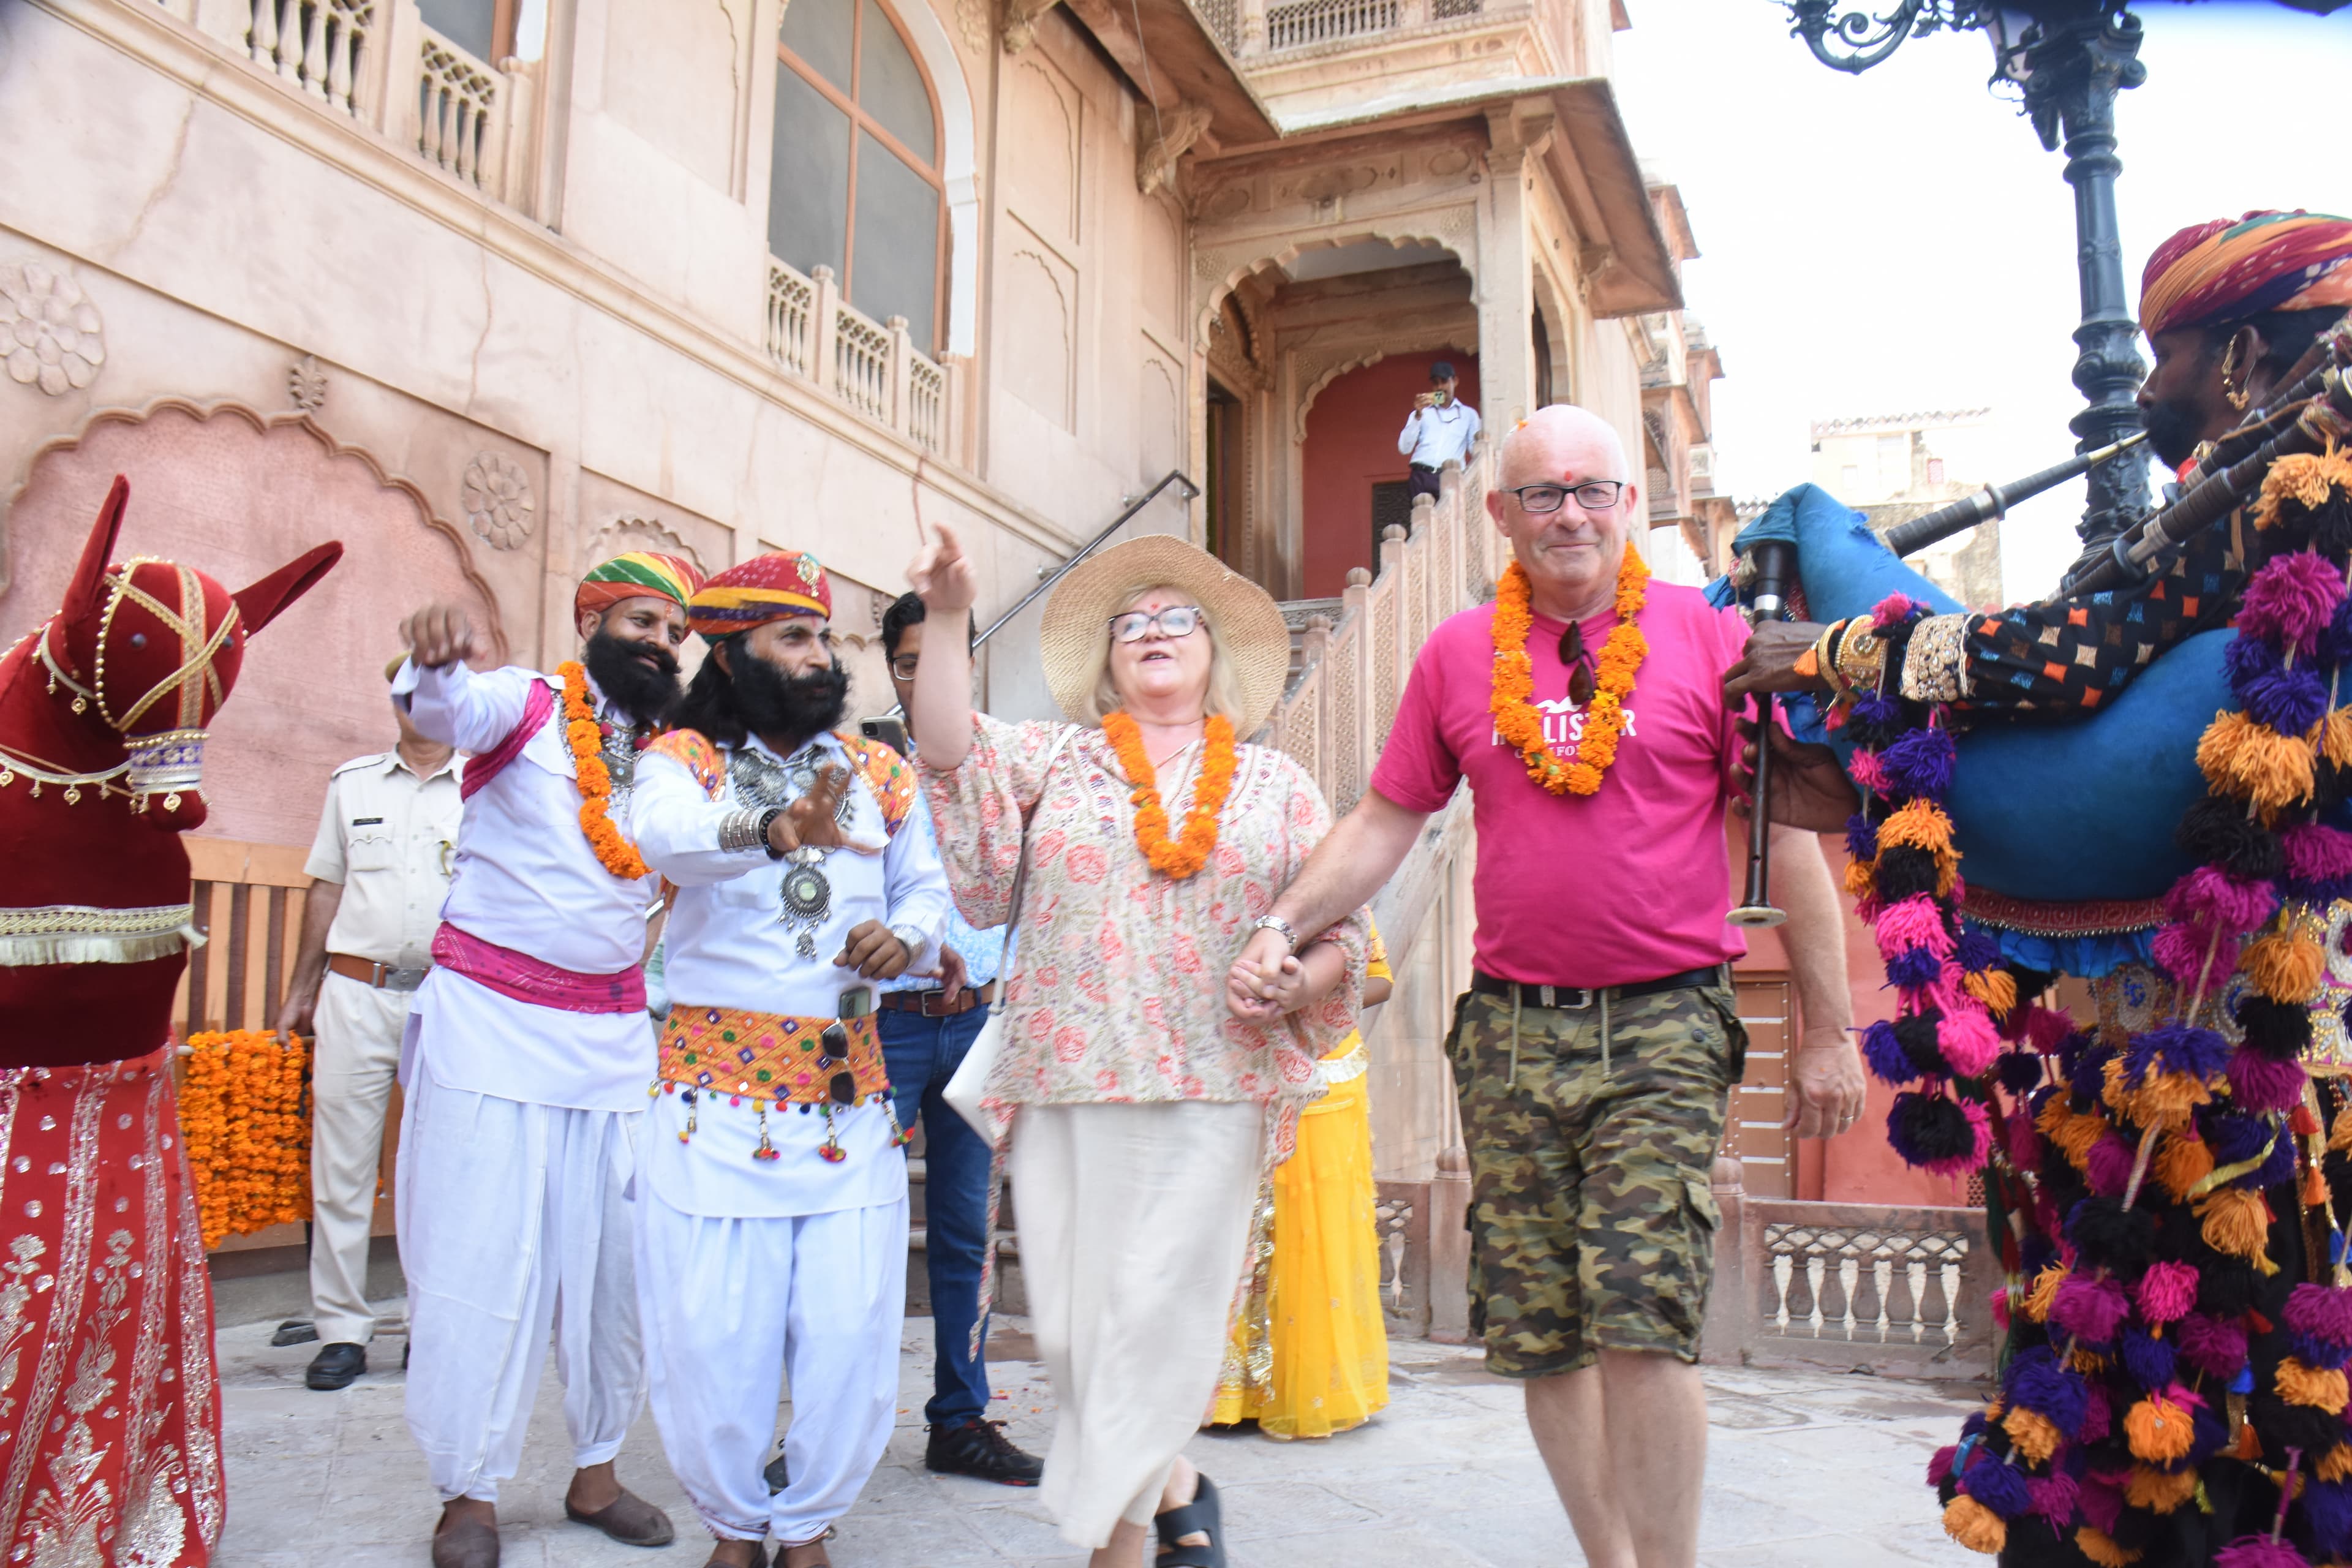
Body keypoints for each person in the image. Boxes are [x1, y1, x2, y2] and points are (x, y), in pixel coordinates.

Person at [1229, 405, 1861, 1568]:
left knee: (1644, 1318)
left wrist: (1832, 1028)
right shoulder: (1455, 654)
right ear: (1500, 515)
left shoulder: (1708, 637)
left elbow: (1795, 844)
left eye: (1592, 489)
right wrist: (1281, 919)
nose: (1570, 512)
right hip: (1511, 1029)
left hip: (1668, 1019)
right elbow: (1386, 820)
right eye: (1543, 493)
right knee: (1540, 1333)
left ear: (1629, 504)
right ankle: (1605, 1560)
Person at [903, 524, 1369, 1568]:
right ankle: (1179, 1486)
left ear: (1215, 653)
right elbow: (943, 746)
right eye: (1131, 623)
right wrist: (945, 613)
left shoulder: (1278, 786)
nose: (1153, 633)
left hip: (1216, 1085)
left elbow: (1343, 935)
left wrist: (1301, 975)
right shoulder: (1056, 759)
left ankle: (1114, 1548)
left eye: (1175, 619)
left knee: (1156, 1326)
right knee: (1076, 1335)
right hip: (1069, 1079)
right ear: (1107, 663)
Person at [0, 480, 338, 1568]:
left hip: (134, 1120)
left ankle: (97, 1506)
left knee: (109, 1322)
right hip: (17, 1128)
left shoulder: (135, 775)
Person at [628, 551, 949, 1568]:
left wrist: (907, 941)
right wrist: (777, 828)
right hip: (712, 1106)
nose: (820, 658)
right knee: (713, 1330)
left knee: (848, 1328)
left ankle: (807, 1523)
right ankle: (732, 1523)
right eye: (793, 639)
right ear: (732, 656)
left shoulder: (882, 770)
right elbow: (668, 841)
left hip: (848, 1096)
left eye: (823, 638)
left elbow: (927, 894)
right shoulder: (681, 759)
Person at [391, 551, 706, 1568]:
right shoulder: (524, 704)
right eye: (644, 621)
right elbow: (444, 710)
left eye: (675, 631)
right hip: (489, 1023)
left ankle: (598, 1472)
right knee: (481, 1258)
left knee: (615, 1270)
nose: (661, 642)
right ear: (594, 622)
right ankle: (467, 1491)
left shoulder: (672, 760)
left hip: (612, 1041)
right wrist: (433, 665)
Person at [1726, 209, 2352, 717]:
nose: (2146, 391)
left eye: (2164, 355)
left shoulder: (2282, 488)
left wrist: (1843, 653)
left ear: (2238, 356)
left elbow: (2093, 648)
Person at [873, 591, 1044, 1485]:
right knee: (852, 1228)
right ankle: (834, 1426)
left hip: (977, 1023)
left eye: (936, 654)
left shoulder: (1010, 761)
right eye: (904, 661)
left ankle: (960, 1420)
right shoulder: (858, 764)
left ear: (964, 658)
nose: (920, 674)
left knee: (967, 1234)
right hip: (884, 1025)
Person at [273, 666, 461, 1390]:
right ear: (394, 701)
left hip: (451, 1000)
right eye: (410, 694)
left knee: (440, 1173)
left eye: (438, 693)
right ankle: (342, 1332)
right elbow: (327, 885)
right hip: (355, 990)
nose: (423, 706)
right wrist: (301, 989)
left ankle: (430, 1325)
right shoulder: (352, 783)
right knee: (341, 1169)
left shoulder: (487, 787)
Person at [1209, 924, 1394, 1439]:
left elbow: (1382, 980)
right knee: (1238, 1226)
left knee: (1313, 1233)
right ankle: (1231, 1394)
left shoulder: (1341, 892)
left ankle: (1307, 1389)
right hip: (1241, 1068)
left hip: (1325, 1076)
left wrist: (1307, 990)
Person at [1398, 360, 1482, 503]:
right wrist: (1418, 415)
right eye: (1436, 383)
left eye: (1444, 381)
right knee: (1421, 522)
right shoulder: (1422, 412)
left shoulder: (1468, 414)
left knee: (1448, 523)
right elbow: (1404, 448)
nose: (1440, 387)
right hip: (1421, 476)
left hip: (1448, 477)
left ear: (1455, 381)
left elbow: (1475, 449)